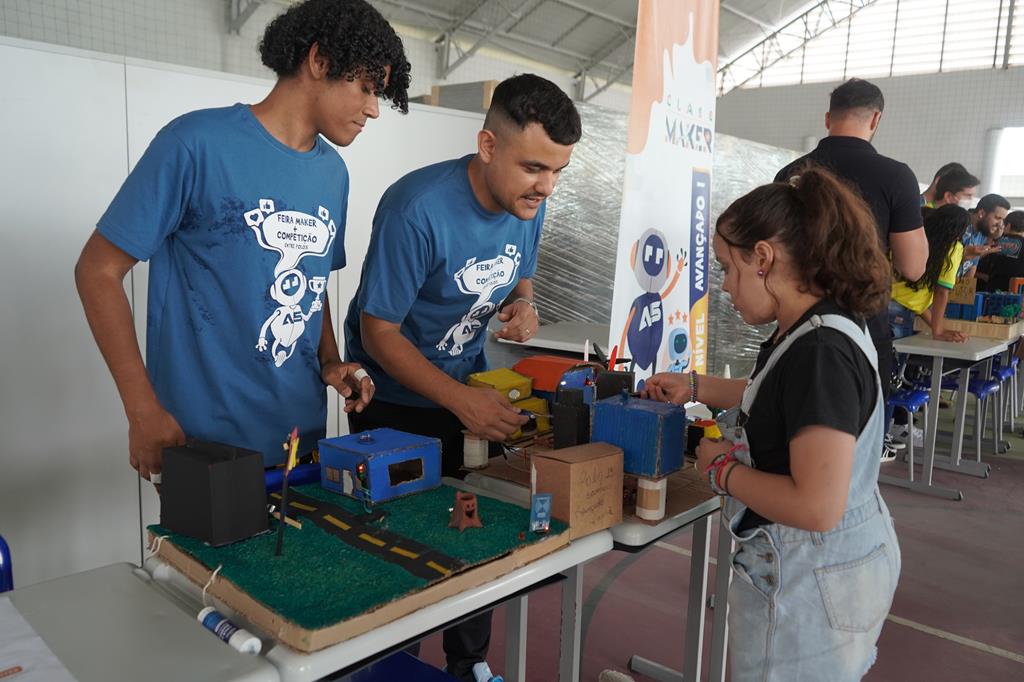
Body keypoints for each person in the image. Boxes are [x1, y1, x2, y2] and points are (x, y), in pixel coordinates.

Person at [74, 0, 410, 478]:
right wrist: (142, 410)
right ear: (319, 61)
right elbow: (96, 271)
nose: (374, 109)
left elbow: (312, 285)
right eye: (367, 88)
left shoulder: (333, 172)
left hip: (302, 442)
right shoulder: (195, 144)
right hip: (204, 447)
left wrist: (332, 360)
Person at [344, 74, 580, 682]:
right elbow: (379, 335)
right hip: (392, 403)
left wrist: (524, 303)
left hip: (469, 389)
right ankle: (391, 664)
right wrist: (459, 403)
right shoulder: (416, 209)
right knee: (398, 546)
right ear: (487, 145)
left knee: (473, 534)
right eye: (534, 168)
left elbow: (520, 271)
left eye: (557, 171)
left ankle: (468, 664)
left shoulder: (530, 203)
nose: (546, 187)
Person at [643, 167, 900, 681]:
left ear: (762, 258)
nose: (724, 287)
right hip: (846, 563)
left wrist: (720, 470)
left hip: (812, 581)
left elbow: (815, 506)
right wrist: (697, 386)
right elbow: (789, 402)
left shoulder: (820, 352)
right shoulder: (822, 324)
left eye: (726, 268)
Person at [776, 77, 926, 459]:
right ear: (875, 118)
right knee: (854, 459)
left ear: (828, 117)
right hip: (862, 330)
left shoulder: (790, 174)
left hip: (795, 327)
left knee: (790, 443)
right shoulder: (896, 177)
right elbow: (913, 265)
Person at [890, 205, 970, 342]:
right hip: (898, 314)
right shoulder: (954, 248)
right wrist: (938, 331)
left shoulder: (914, 237)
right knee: (891, 360)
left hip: (877, 300)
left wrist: (936, 327)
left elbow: (914, 301)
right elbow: (941, 292)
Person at [961, 193, 1012, 278]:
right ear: (981, 213)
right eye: (997, 218)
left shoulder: (982, 232)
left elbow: (972, 264)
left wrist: (966, 288)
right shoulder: (959, 226)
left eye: (1003, 220)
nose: (1000, 224)